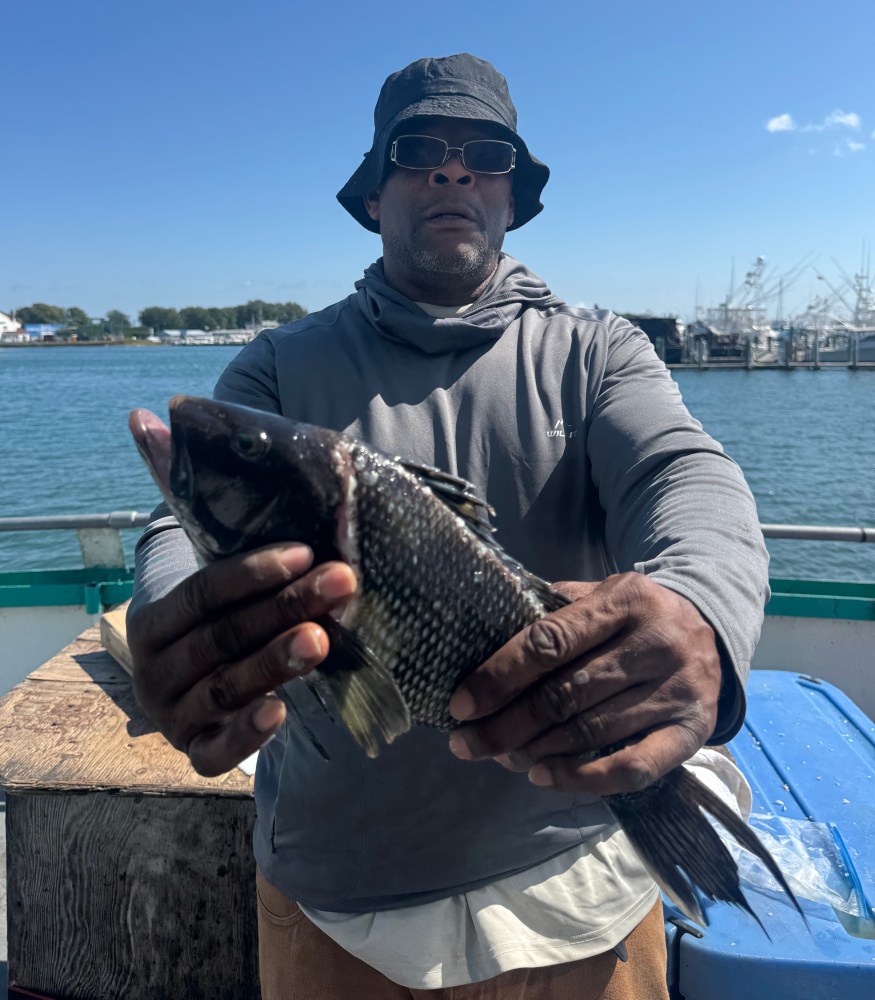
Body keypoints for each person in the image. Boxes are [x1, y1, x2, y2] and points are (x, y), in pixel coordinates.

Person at [127, 53, 768, 1000]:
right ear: (374, 194)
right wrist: (176, 618)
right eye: (419, 150)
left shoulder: (598, 349)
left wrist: (700, 604)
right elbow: (175, 526)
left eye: (486, 154)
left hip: (583, 876)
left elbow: (685, 472)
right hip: (340, 897)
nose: (454, 170)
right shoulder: (273, 368)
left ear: (511, 197)